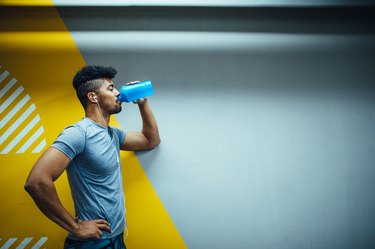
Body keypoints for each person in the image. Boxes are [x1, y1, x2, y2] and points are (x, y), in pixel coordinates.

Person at [24, 65, 160, 249]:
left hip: (116, 237)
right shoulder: (79, 133)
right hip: (92, 243)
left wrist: (143, 104)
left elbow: (150, 140)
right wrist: (75, 227)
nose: (118, 93)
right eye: (111, 88)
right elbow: (36, 182)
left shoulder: (112, 135)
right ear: (93, 96)